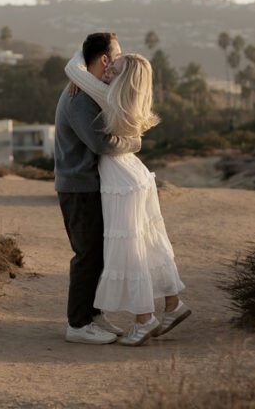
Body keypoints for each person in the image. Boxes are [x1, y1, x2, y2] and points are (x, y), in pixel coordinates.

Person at [63, 45, 190, 347]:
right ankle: (173, 304)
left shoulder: (110, 97)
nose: (108, 70)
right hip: (135, 173)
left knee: (129, 248)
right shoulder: (128, 99)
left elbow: (72, 67)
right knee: (149, 241)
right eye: (110, 63)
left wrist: (80, 78)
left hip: (119, 178)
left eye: (115, 69)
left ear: (124, 81)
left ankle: (143, 319)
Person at [54, 32, 141, 344]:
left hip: (88, 185)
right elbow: (101, 143)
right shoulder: (78, 98)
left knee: (99, 253)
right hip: (78, 188)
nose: (118, 61)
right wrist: (136, 141)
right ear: (104, 59)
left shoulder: (87, 88)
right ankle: (77, 325)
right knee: (87, 254)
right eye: (115, 56)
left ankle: (92, 314)